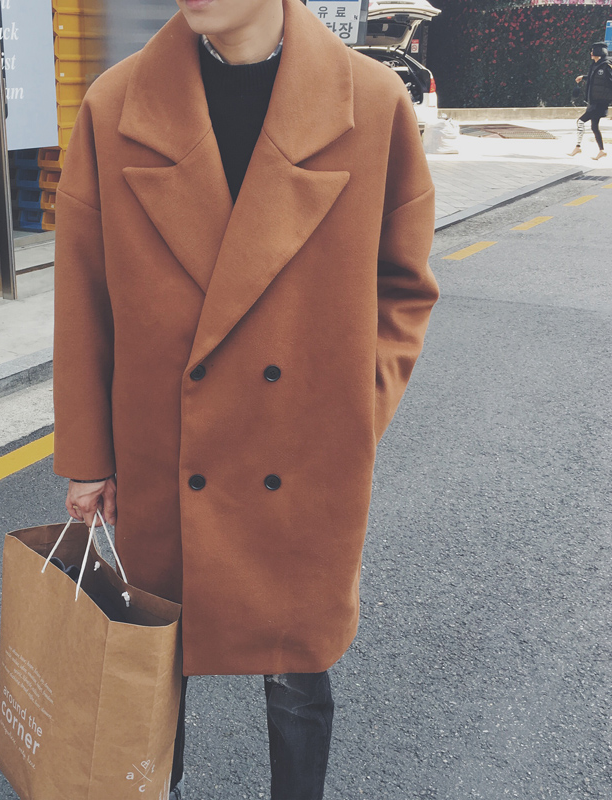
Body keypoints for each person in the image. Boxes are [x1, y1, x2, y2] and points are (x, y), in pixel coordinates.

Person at [53, 0, 439, 797]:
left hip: (303, 455)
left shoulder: (369, 102)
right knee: (153, 664)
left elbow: (403, 286)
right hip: (165, 445)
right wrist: (88, 457)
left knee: (297, 669)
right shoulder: (115, 105)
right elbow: (82, 296)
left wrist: (356, 410)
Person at [570, 41, 612, 160]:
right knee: (594, 127)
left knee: (581, 121)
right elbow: (595, 78)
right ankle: (601, 151)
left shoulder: (606, 66)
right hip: (593, 102)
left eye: (593, 51)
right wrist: (583, 77)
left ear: (598, 52)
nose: (591, 53)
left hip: (600, 103)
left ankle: (578, 147)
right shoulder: (595, 65)